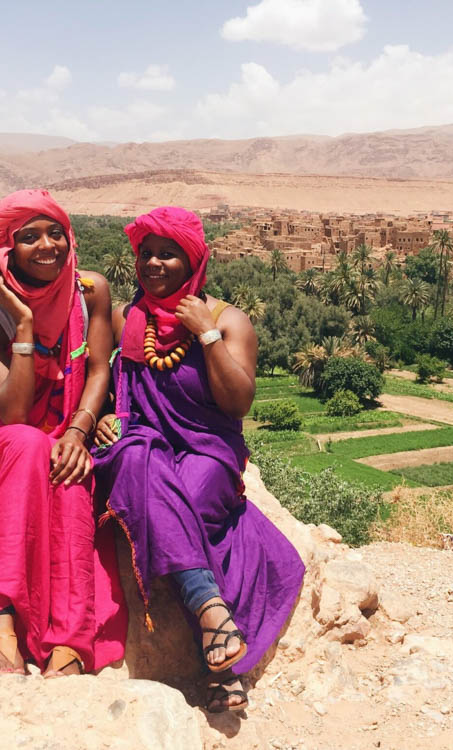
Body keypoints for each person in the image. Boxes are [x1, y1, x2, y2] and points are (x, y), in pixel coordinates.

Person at [93, 206, 304, 712]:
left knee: (184, 501)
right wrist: (102, 414)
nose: (155, 264)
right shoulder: (128, 318)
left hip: (208, 448)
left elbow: (238, 403)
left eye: (169, 255)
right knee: (137, 462)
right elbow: (101, 375)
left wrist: (206, 334)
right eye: (147, 254)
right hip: (141, 440)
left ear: (194, 262)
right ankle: (218, 634)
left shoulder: (230, 320)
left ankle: (221, 653)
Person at [0, 189, 126, 684]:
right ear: (6, 251)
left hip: (60, 429)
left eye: (56, 233)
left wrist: (78, 431)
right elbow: (14, 412)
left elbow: (97, 370)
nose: (48, 246)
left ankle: (69, 638)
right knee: (30, 444)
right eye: (29, 238)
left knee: (72, 474)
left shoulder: (91, 291)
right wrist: (24, 324)